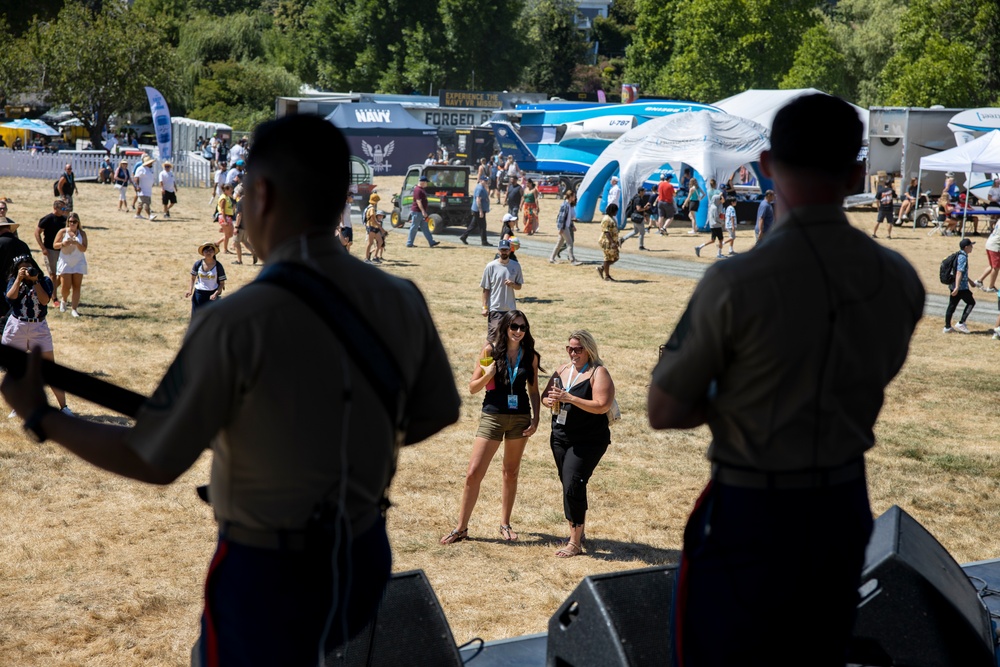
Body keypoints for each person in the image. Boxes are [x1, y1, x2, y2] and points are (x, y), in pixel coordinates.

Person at [0, 113, 461, 667]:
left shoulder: (237, 320)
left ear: (262, 193)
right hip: (363, 553)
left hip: (271, 569)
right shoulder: (401, 296)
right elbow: (438, 410)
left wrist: (40, 417)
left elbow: (151, 456)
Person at [647, 94, 924, 667]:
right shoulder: (898, 278)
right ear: (855, 173)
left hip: (752, 508)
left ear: (768, 164)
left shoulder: (736, 281)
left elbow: (665, 408)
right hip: (842, 506)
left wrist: (739, 395)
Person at [440, 310, 541, 545]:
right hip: (493, 417)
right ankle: (461, 528)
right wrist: (488, 374)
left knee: (511, 472)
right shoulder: (490, 351)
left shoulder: (531, 356)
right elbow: (473, 387)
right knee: (473, 473)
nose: (518, 331)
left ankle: (505, 524)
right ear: (506, 327)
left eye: (522, 327)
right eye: (514, 326)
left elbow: (533, 390)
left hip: (520, 418)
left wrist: (536, 419)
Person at [540, 330, 615, 558]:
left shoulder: (598, 372)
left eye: (578, 349)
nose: (573, 353)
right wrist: (550, 400)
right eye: (570, 348)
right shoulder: (563, 370)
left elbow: (602, 404)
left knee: (573, 483)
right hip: (561, 437)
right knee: (570, 485)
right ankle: (578, 531)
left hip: (588, 440)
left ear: (589, 349)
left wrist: (571, 398)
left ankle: (574, 542)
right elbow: (544, 397)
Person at [3, 254, 72, 417]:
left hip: (38, 326)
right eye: (23, 268)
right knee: (16, 370)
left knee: (50, 370)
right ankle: (17, 406)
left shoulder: (44, 281)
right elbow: (10, 297)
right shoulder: (14, 281)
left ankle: (64, 407)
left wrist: (34, 281)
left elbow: (44, 300)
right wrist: (19, 280)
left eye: (29, 266)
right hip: (17, 326)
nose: (27, 270)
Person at [481, 238, 523, 339]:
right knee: (492, 338)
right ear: (498, 250)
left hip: (510, 310)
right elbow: (485, 289)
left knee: (509, 338)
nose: (504, 252)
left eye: (506, 250)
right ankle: (486, 355)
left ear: (510, 250)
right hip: (495, 308)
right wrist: (485, 307)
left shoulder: (516, 266)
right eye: (502, 250)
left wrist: (513, 284)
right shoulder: (491, 266)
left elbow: (519, 286)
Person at [53, 212, 88, 318]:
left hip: (78, 262)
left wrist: (77, 243)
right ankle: (64, 300)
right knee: (66, 286)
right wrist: (63, 244)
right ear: (67, 222)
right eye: (70, 221)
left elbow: (84, 248)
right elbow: (55, 245)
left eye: (74, 222)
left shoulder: (82, 233)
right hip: (65, 261)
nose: (72, 223)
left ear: (78, 222)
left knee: (77, 286)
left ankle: (74, 309)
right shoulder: (63, 232)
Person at [35, 200, 68, 308]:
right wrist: (43, 248)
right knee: (53, 275)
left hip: (62, 251)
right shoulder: (48, 219)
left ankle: (48, 291)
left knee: (62, 274)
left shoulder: (64, 219)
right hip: (50, 250)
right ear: (55, 208)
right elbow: (37, 233)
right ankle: (54, 298)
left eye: (64, 208)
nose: (64, 210)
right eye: (62, 208)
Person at [185, 242, 226, 316]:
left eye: (211, 250)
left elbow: (222, 283)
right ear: (203, 253)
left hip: (212, 294)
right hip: (199, 294)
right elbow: (192, 278)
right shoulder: (198, 264)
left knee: (211, 317)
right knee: (197, 317)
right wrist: (190, 290)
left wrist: (215, 294)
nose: (208, 252)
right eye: (206, 250)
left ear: (214, 253)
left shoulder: (218, 266)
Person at [945, 238, 976, 334]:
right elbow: (959, 272)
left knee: (952, 306)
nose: (972, 247)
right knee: (971, 302)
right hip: (961, 287)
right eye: (971, 245)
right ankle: (961, 322)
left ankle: (947, 327)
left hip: (954, 284)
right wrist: (957, 287)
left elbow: (962, 273)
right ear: (966, 247)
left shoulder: (959, 254)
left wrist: (970, 281)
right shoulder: (963, 257)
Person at [407, 174, 440, 248]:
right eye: (426, 182)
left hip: (420, 212)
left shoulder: (421, 189)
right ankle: (409, 243)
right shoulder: (418, 190)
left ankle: (431, 242)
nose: (427, 184)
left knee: (425, 227)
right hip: (417, 212)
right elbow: (418, 201)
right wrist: (423, 211)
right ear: (422, 182)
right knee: (414, 227)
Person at [549, 190, 581, 264]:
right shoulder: (565, 205)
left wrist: (572, 225)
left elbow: (568, 218)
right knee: (569, 242)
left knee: (559, 243)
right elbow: (561, 217)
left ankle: (551, 258)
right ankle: (572, 260)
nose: (574, 197)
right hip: (564, 227)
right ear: (569, 197)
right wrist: (560, 228)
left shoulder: (569, 205)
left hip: (565, 226)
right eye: (573, 196)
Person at [460, 174, 490, 246]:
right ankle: (484, 241)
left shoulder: (483, 187)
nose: (486, 182)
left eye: (487, 180)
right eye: (485, 181)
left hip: (481, 210)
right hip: (478, 210)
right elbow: (478, 200)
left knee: (473, 225)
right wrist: (480, 211)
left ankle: (464, 236)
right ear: (481, 180)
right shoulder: (479, 188)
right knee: (482, 226)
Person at [694, 190, 726, 259]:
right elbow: (716, 217)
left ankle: (699, 247)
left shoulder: (712, 206)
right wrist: (721, 222)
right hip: (716, 225)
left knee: (712, 240)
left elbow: (720, 205)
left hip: (713, 225)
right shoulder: (714, 208)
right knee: (721, 239)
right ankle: (719, 254)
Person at [620, 186, 651, 251]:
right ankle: (641, 246)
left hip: (634, 216)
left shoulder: (635, 197)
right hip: (638, 217)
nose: (645, 192)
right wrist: (645, 208)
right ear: (640, 192)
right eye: (643, 191)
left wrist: (644, 209)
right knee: (642, 233)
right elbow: (638, 209)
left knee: (635, 231)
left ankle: (622, 239)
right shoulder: (638, 199)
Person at [598, 203, 619, 281]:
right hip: (606, 241)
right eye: (616, 211)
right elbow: (606, 232)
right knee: (607, 258)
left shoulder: (611, 218)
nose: (616, 213)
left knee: (615, 257)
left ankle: (602, 268)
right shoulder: (606, 219)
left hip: (612, 241)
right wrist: (612, 242)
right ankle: (607, 276)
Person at [133, 155, 157, 221]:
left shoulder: (149, 169)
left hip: (148, 190)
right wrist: (137, 186)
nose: (151, 163)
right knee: (146, 203)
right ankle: (150, 215)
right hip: (143, 189)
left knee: (141, 203)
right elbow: (136, 178)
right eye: (150, 162)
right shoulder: (141, 168)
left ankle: (137, 214)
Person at [216, 184, 236, 254]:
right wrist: (225, 221)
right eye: (230, 190)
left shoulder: (227, 197)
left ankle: (217, 243)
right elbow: (223, 210)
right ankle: (225, 249)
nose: (231, 191)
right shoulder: (223, 198)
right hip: (224, 217)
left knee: (230, 234)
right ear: (226, 190)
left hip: (228, 216)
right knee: (227, 234)